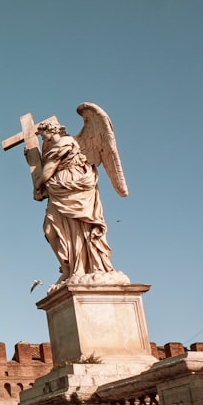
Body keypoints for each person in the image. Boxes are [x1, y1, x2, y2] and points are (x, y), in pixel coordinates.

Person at [32, 111, 116, 283]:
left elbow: (49, 168)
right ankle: (67, 268)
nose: (43, 139)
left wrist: (38, 185)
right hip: (59, 191)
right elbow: (48, 166)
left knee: (79, 229)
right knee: (50, 229)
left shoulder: (66, 142)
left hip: (74, 187)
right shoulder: (54, 146)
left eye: (44, 135)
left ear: (52, 130)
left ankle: (82, 267)